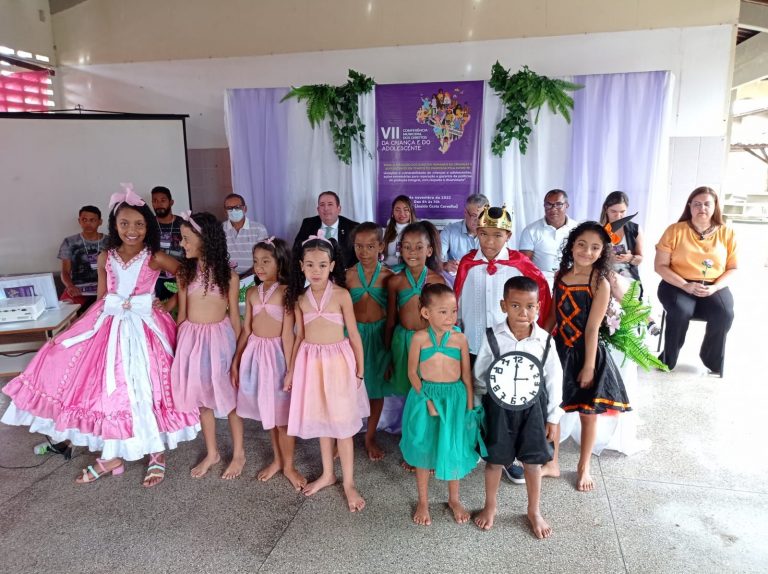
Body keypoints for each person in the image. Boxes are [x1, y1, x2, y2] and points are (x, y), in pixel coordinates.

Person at [1, 185, 200, 486]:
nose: (131, 230)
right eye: (124, 223)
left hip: (146, 329)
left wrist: (171, 304)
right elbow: (102, 297)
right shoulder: (106, 256)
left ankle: (156, 454)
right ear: (114, 225)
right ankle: (112, 455)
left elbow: (187, 274)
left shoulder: (155, 257)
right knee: (109, 390)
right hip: (110, 325)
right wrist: (76, 329)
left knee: (147, 388)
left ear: (148, 226)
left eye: (139, 224)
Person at [454, 204, 552, 484]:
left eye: (497, 235)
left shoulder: (521, 265)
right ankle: (479, 447)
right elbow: (458, 301)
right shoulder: (467, 263)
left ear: (508, 236)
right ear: (477, 232)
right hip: (474, 345)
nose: (490, 241)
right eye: (484, 234)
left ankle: (510, 458)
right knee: (477, 398)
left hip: (510, 349)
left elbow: (540, 300)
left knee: (510, 403)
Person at [473, 276, 563, 538]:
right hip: (498, 410)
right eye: (515, 306)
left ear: (538, 307)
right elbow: (480, 377)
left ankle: (534, 510)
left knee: (532, 462)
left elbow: (554, 380)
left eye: (530, 306)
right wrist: (478, 411)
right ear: (504, 306)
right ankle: (491, 505)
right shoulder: (492, 337)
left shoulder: (544, 341)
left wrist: (553, 417)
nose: (523, 313)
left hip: (533, 411)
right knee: (494, 460)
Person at [285, 231, 368, 512]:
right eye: (310, 265)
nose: (316, 270)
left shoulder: (341, 295)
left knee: (342, 424)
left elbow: (353, 334)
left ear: (332, 265)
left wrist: (360, 370)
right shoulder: (300, 298)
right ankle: (328, 474)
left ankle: (349, 483)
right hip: (311, 364)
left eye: (322, 265)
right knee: (322, 419)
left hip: (339, 364)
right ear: (301, 266)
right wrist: (291, 371)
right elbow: (299, 336)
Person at [551, 222, 631, 491]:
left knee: (588, 413)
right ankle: (552, 461)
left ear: (602, 252)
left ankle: (584, 466)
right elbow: (553, 316)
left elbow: (592, 328)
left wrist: (588, 366)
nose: (587, 251)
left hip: (588, 352)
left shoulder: (599, 282)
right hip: (560, 349)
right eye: (582, 245)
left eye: (595, 247)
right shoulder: (560, 276)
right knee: (554, 408)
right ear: (572, 245)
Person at [399, 283, 480, 526]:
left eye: (453, 311)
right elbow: (412, 373)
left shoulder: (460, 339)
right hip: (426, 397)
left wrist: (469, 408)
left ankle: (454, 499)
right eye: (443, 312)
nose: (450, 317)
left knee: (452, 446)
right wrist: (426, 399)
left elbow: (466, 377)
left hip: (454, 399)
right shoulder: (419, 338)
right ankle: (423, 501)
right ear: (426, 313)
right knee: (424, 447)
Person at [170, 212, 243, 479]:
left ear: (205, 239)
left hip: (220, 341)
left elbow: (234, 317)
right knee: (202, 399)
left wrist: (238, 355)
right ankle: (212, 452)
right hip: (191, 341)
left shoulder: (228, 276)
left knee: (230, 399)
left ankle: (239, 453)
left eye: (186, 238)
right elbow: (182, 314)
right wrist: (177, 349)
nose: (182, 244)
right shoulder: (184, 273)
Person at [232, 237, 306, 491]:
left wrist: (291, 370)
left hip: (277, 358)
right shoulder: (253, 292)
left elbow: (288, 335)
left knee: (282, 417)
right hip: (256, 355)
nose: (259, 267)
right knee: (269, 414)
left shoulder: (286, 293)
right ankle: (277, 460)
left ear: (280, 262)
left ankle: (289, 466)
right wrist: (236, 360)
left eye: (266, 261)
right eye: (256, 262)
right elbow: (246, 330)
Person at [654, 186, 737, 374]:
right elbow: (660, 266)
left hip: (713, 286)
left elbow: (733, 268)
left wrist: (715, 287)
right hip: (677, 284)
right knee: (680, 311)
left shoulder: (727, 233)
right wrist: (685, 285)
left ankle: (711, 358)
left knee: (725, 313)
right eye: (697, 204)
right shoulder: (674, 230)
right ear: (689, 206)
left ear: (715, 206)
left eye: (707, 204)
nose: (702, 208)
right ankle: (668, 359)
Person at [346, 223, 395, 461]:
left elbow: (393, 313)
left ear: (381, 246)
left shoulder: (389, 277)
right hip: (352, 337)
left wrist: (389, 346)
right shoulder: (347, 275)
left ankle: (370, 436)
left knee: (375, 390)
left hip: (378, 337)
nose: (364, 252)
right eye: (359, 246)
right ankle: (344, 435)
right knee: (348, 387)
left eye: (370, 246)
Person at [385, 222, 446, 401]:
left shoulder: (437, 281)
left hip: (428, 342)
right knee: (408, 392)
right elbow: (391, 320)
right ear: (400, 249)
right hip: (402, 342)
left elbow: (442, 319)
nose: (412, 252)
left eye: (419, 247)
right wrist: (387, 354)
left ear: (429, 250)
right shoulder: (395, 281)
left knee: (428, 388)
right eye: (407, 247)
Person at [518, 189, 579, 288]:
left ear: (566, 205)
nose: (553, 209)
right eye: (548, 205)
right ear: (544, 206)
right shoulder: (530, 230)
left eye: (558, 204)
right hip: (540, 281)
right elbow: (524, 264)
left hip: (572, 280)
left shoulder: (578, 229)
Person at [294, 191, 359, 270]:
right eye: (322, 205)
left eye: (330, 204)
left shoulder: (352, 227)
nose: (326, 208)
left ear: (339, 209)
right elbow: (296, 250)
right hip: (314, 271)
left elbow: (357, 257)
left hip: (344, 273)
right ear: (318, 209)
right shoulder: (308, 224)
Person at [57, 205, 106, 310]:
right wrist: (70, 286)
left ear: (100, 222)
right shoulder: (69, 242)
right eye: (84, 220)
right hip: (78, 289)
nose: (88, 223)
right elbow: (65, 271)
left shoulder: (110, 242)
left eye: (92, 220)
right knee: (64, 308)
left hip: (105, 288)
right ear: (79, 221)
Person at [151, 186, 185, 302]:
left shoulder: (183, 223)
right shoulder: (148, 225)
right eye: (155, 201)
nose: (158, 204)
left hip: (179, 276)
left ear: (171, 202)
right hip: (155, 279)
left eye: (163, 200)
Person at [440, 194, 489, 273]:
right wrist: (445, 265)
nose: (478, 221)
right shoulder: (450, 231)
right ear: (465, 213)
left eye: (482, 216)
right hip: (457, 277)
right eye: (474, 216)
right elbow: (435, 259)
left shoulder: (493, 234)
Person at [223, 193, 269, 277]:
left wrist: (246, 278)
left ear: (245, 209)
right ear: (225, 211)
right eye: (229, 208)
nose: (233, 211)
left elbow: (264, 257)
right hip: (227, 276)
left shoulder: (259, 229)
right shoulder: (220, 229)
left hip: (253, 275)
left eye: (237, 207)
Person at [382, 195, 418, 269]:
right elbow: (381, 257)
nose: (402, 213)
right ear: (392, 213)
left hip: (411, 271)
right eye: (397, 210)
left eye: (406, 210)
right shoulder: (384, 232)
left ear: (411, 212)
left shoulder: (419, 232)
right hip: (388, 270)